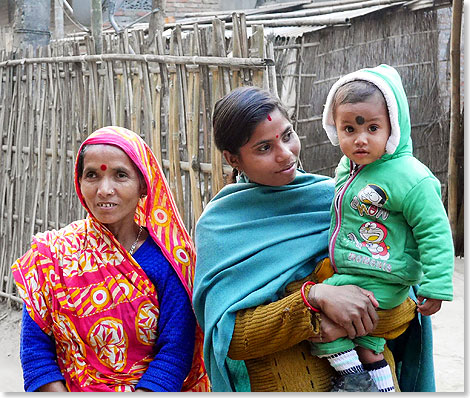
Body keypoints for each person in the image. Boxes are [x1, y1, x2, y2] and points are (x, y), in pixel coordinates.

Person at [192, 86, 431, 392]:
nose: (285, 154)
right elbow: (232, 339)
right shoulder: (220, 227)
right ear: (232, 158)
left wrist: (349, 317)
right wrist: (315, 300)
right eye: (264, 148)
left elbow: (405, 311)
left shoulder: (341, 201)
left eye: (287, 135)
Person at [11, 126, 210, 392]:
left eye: (120, 175)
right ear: (79, 183)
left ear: (143, 185)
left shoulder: (170, 262)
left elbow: (175, 352)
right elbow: (36, 352)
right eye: (92, 175)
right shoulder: (52, 257)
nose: (105, 189)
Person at [313, 64, 454, 392]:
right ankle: (381, 388)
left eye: (372, 128)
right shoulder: (348, 168)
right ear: (335, 129)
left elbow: (434, 231)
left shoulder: (410, 177)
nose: (360, 140)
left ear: (393, 127)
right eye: (349, 129)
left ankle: (353, 381)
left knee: (320, 325)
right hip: (355, 272)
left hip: (384, 277)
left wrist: (436, 286)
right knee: (367, 346)